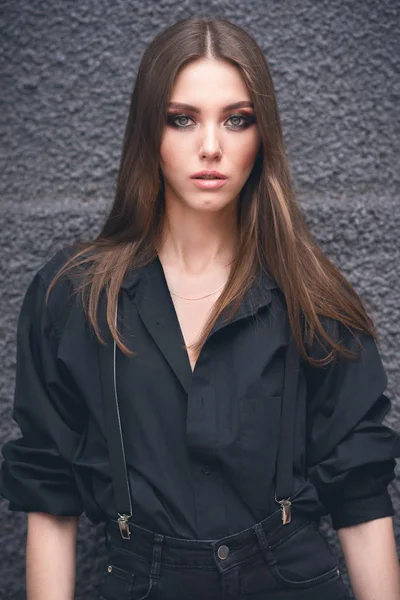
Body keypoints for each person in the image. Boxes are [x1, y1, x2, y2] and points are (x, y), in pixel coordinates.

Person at [1, 15, 399, 600]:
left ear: (263, 137)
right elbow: (48, 493)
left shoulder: (313, 296)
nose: (210, 147)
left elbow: (360, 497)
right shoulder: (74, 295)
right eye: (181, 119)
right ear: (148, 132)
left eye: (237, 120)